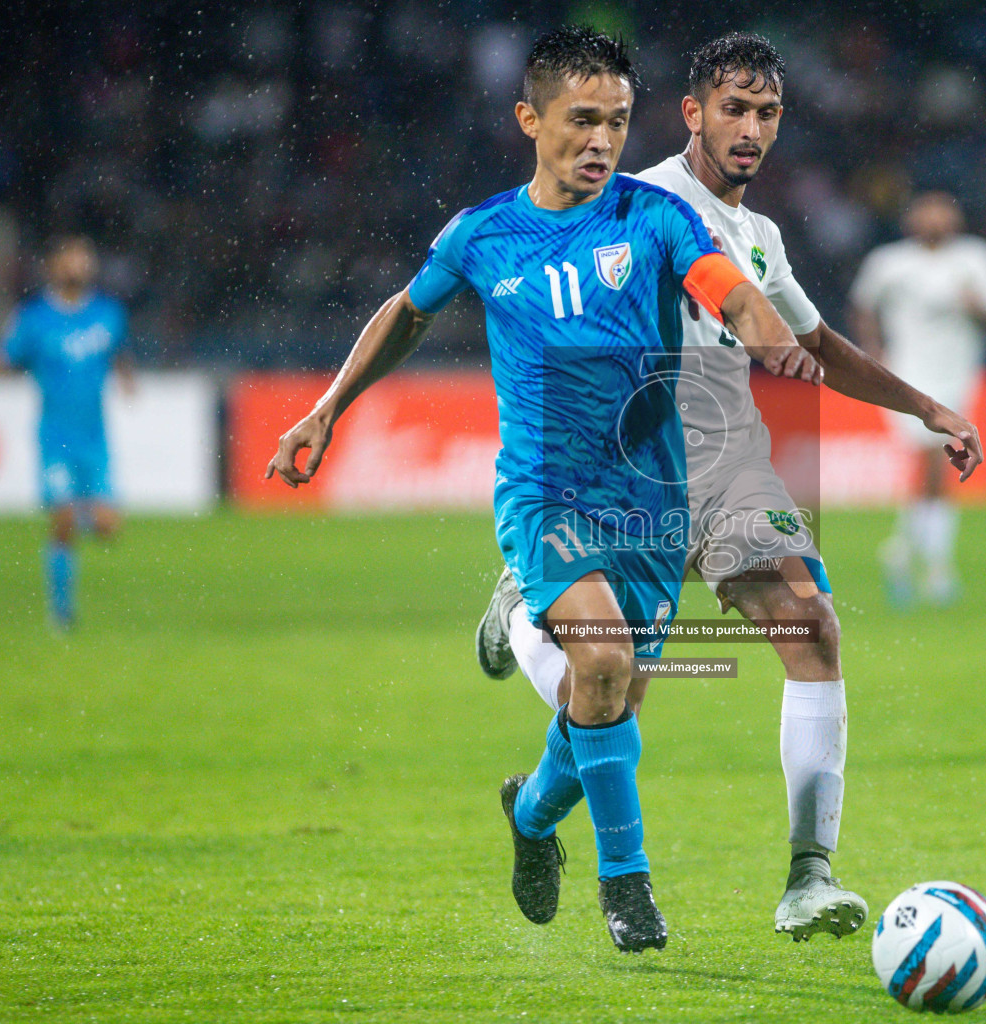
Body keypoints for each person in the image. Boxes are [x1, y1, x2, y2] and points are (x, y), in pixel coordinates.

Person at [265, 26, 820, 953]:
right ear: (531, 119)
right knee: (601, 663)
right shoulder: (484, 234)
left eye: (616, 122)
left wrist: (761, 328)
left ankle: (529, 814)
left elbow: (722, 284)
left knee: (612, 698)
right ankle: (627, 882)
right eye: (580, 121)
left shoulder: (654, 217)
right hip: (543, 497)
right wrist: (328, 408)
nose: (601, 141)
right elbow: (406, 313)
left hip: (647, 503)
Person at [474, 33, 983, 942]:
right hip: (640, 454)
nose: (751, 130)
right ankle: (526, 671)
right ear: (692, 115)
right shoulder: (641, 200)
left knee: (810, 621)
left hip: (733, 449)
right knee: (615, 693)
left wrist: (926, 407)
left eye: (768, 113)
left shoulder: (762, 235)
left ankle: (808, 878)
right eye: (734, 110)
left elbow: (818, 344)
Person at [849, 193, 986, 605]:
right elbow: (862, 307)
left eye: (944, 213)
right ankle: (938, 566)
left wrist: (976, 306)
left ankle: (902, 550)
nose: (936, 221)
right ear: (912, 220)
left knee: (940, 465)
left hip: (957, 376)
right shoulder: (890, 263)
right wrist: (874, 356)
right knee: (935, 460)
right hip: (908, 377)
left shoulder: (976, 259)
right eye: (928, 213)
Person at [0, 236, 132, 630]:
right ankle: (62, 616)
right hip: (56, 437)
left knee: (106, 527)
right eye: (72, 259)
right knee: (62, 518)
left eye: (85, 259)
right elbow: (9, 355)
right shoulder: (35, 318)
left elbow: (118, 352)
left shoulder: (108, 313)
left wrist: (127, 377)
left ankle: (84, 514)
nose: (79, 266)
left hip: (95, 438)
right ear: (54, 265)